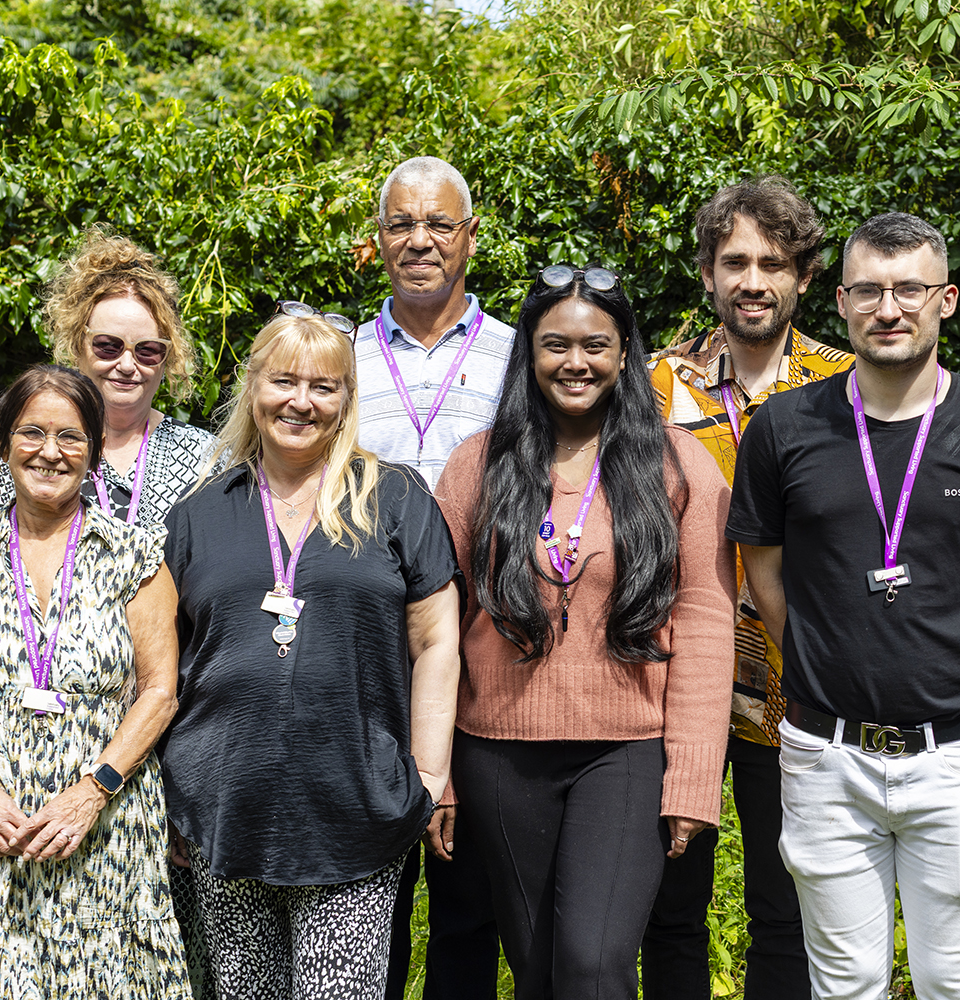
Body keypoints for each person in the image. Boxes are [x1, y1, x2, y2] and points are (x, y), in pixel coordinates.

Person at [727, 213, 960, 1000]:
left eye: (909, 289)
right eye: (870, 291)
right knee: (844, 985)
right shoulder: (783, 430)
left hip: (958, 757)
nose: (889, 308)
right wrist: (824, 658)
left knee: (957, 983)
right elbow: (763, 573)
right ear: (840, 302)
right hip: (823, 755)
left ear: (945, 299)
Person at [434, 264, 736, 999]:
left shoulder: (676, 464)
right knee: (536, 970)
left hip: (627, 752)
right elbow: (437, 625)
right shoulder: (478, 465)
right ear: (529, 354)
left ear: (626, 352)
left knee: (595, 963)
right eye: (555, 345)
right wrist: (433, 768)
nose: (576, 363)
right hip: (498, 754)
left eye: (596, 345)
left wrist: (694, 779)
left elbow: (704, 619)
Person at [159, 309, 462, 999]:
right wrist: (169, 797)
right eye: (284, 381)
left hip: (355, 810)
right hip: (223, 811)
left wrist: (430, 774)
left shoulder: (394, 498)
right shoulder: (201, 510)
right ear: (253, 388)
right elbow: (162, 659)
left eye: (324, 387)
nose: (301, 401)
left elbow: (437, 638)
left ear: (347, 400)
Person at [0, 364, 190, 998]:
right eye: (32, 432)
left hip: (104, 829)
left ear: (92, 450)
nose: (50, 452)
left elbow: (159, 692)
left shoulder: (134, 555)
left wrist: (91, 793)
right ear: (4, 441)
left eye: (71, 437)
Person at [645, 177, 851, 1000]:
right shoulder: (657, 384)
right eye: (735, 261)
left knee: (786, 907)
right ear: (707, 273)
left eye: (773, 262)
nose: (753, 280)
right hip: (677, 683)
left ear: (802, 276)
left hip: (797, 681)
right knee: (670, 908)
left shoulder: (846, 387)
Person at [358, 155, 513, 999]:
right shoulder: (337, 362)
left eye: (439, 225)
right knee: (369, 903)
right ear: (377, 241)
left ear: (470, 238)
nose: (420, 241)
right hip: (367, 666)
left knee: (468, 907)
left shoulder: (522, 357)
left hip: (488, 659)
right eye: (401, 225)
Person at [0, 227, 218, 531]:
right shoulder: (26, 444)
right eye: (108, 346)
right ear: (77, 344)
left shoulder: (204, 458)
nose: (128, 365)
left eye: (147, 350)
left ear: (167, 358)